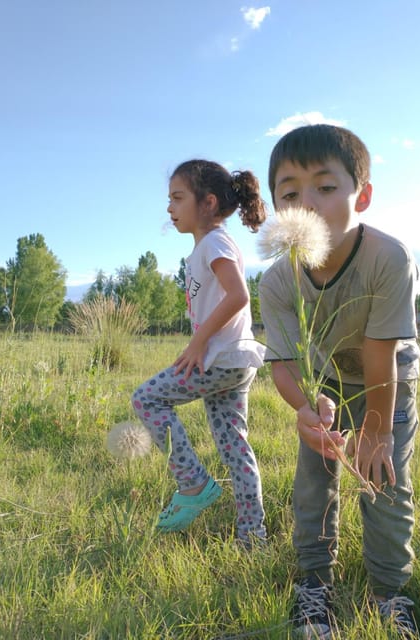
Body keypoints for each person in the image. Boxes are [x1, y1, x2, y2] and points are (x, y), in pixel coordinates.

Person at [258, 124, 420, 638]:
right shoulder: (276, 278)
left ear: (362, 195)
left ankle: (389, 592)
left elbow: (381, 356)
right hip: (323, 380)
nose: (306, 204)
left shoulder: (388, 259)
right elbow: (284, 360)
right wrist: (306, 410)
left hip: (389, 378)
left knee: (384, 480)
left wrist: (375, 431)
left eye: (325, 188)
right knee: (313, 482)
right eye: (289, 194)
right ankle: (314, 585)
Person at [132, 159, 268, 545]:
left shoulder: (215, 242)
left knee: (146, 398)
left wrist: (199, 342)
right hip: (233, 360)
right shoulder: (208, 246)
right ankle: (252, 537)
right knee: (234, 446)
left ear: (207, 203)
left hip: (220, 359)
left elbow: (239, 295)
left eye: (177, 198)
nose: (170, 207)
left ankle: (192, 482)